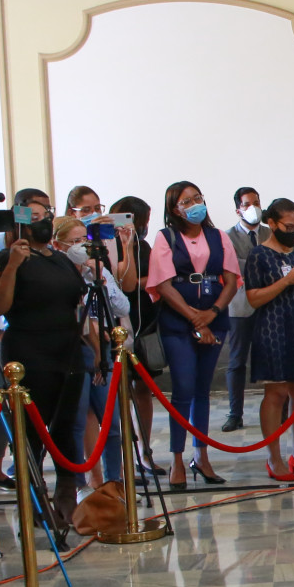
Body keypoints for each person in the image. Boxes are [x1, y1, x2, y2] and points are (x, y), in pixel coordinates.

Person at [0, 210, 89, 529]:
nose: (42, 221)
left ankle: (66, 495)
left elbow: (76, 299)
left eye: (45, 214)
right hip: (29, 350)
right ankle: (33, 496)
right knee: (32, 429)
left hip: (67, 349)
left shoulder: (59, 258)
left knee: (65, 427)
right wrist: (13, 265)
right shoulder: (8, 257)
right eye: (33, 216)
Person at [147, 181, 238, 490]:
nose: (195, 204)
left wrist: (211, 314)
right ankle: (176, 457)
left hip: (214, 318)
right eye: (187, 201)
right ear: (175, 209)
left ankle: (201, 455)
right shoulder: (166, 238)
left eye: (197, 197)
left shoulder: (219, 236)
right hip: (178, 323)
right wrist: (195, 319)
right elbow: (163, 284)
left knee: (202, 390)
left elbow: (231, 280)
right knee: (183, 388)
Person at [243, 198, 294, 480]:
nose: (293, 232)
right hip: (273, 327)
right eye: (289, 227)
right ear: (272, 223)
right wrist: (285, 281)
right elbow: (254, 298)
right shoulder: (258, 255)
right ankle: (273, 457)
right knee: (276, 393)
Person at [56, 208, 132, 489]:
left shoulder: (95, 271)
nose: (81, 247)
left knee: (111, 422)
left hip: (104, 352)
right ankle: (78, 484)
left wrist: (99, 277)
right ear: (60, 246)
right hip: (74, 353)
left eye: (83, 241)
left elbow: (123, 307)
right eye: (74, 242)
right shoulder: (58, 274)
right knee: (76, 423)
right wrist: (94, 332)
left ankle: (115, 481)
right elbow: (76, 316)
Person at [110, 195, 163, 473]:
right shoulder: (108, 246)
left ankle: (145, 451)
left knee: (143, 387)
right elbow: (122, 283)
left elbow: (157, 278)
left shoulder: (144, 246)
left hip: (146, 320)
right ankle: (122, 456)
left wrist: (145, 282)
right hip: (118, 321)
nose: (142, 226)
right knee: (119, 391)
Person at [222, 186, 263, 433]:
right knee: (237, 362)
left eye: (256, 202)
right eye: (247, 204)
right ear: (238, 209)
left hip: (268, 305)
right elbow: (233, 269)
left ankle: (281, 411)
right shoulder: (227, 237)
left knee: (273, 358)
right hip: (239, 307)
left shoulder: (271, 232)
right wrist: (260, 264)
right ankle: (235, 414)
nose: (253, 208)